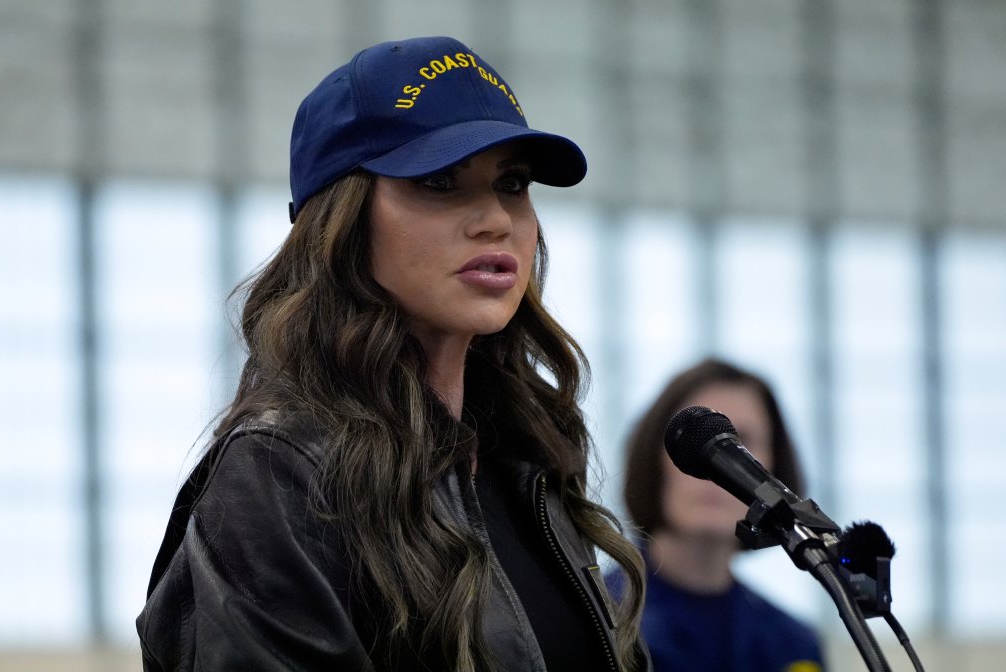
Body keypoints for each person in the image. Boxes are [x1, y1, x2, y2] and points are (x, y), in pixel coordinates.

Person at [135, 36, 650, 671]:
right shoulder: (280, 473)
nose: (495, 219)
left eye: (512, 183)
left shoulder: (529, 458)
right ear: (342, 222)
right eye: (439, 181)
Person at [608, 358, 825, 672]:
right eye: (696, 443)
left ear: (774, 471)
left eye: (742, 444)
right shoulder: (594, 617)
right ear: (654, 461)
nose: (714, 469)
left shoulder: (793, 644)